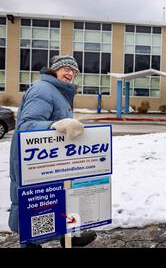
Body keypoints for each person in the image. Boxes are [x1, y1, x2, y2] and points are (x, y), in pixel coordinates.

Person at [9, 55, 97, 248]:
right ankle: (31, 246)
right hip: (32, 161)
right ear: (54, 70)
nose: (70, 73)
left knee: (60, 197)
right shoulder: (43, 90)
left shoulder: (59, 92)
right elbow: (26, 125)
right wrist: (54, 124)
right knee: (35, 204)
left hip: (49, 160)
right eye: (66, 68)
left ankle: (68, 238)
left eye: (74, 71)